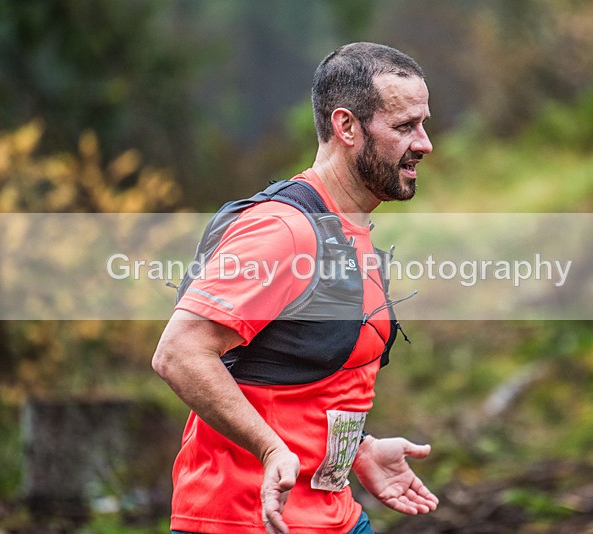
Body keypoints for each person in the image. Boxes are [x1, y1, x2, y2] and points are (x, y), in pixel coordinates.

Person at [152, 42, 437, 534]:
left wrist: (360, 448)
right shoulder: (284, 230)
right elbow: (180, 353)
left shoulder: (345, 225)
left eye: (423, 122)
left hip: (336, 516)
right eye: (404, 126)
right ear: (346, 127)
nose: (425, 143)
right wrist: (268, 448)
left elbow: (296, 371)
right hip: (247, 519)